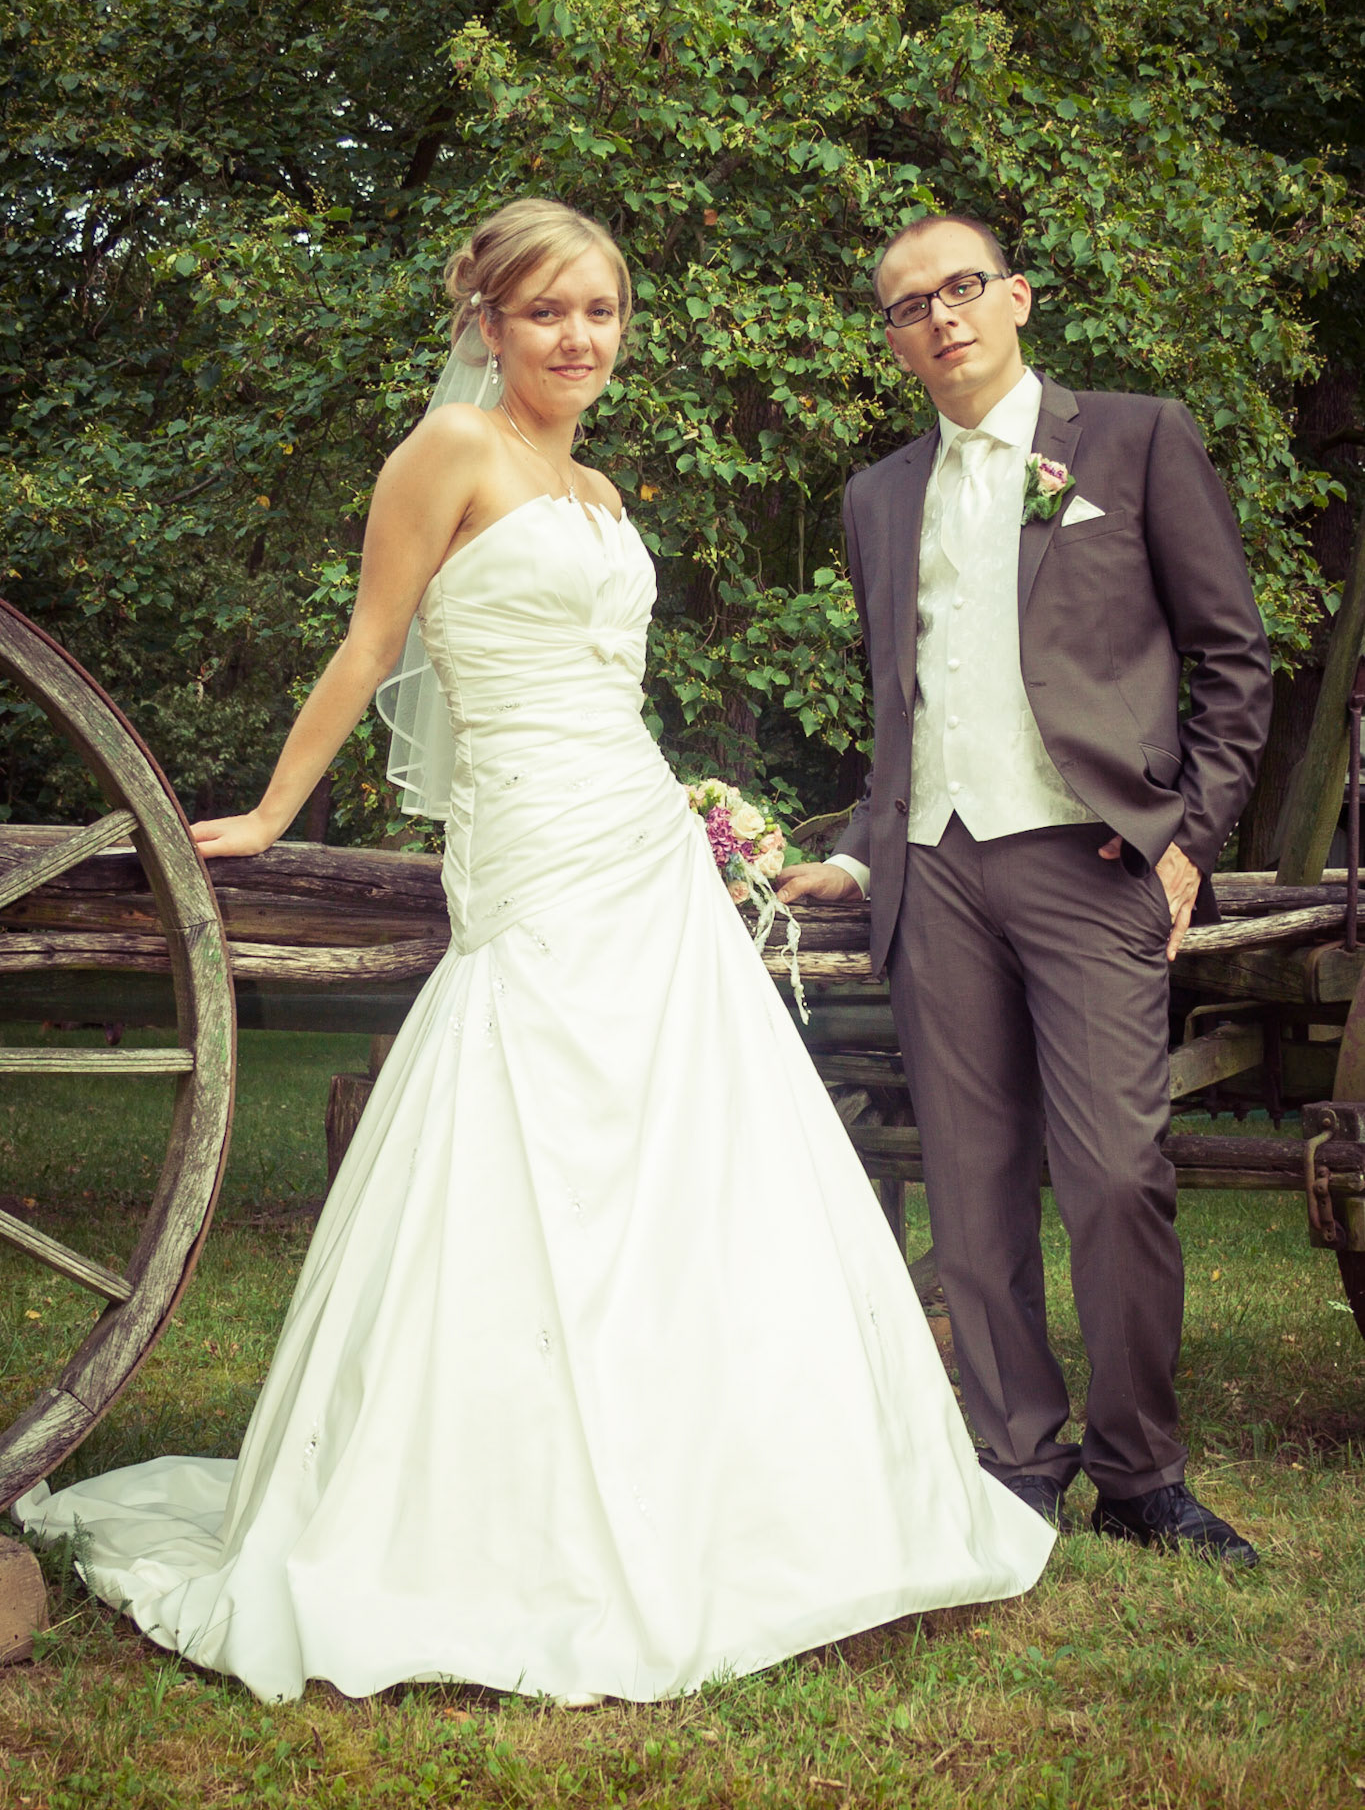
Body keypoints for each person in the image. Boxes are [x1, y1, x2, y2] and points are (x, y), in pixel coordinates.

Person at [15, 197, 1053, 1703]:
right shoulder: (447, 452)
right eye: (547, 311)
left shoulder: (603, 490)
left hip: (638, 839)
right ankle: (489, 1503)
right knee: (537, 1123)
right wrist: (270, 813)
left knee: (687, 1142)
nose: (579, 338)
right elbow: (372, 645)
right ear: (487, 324)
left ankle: (729, 1488)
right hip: (532, 845)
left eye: (601, 312)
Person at [777, 213, 1272, 1563]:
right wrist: (863, 852)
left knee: (1115, 1173)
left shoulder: (1136, 439)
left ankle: (1141, 1476)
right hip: (934, 873)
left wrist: (1188, 839)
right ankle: (1015, 1460)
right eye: (908, 306)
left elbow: (1233, 657)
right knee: (972, 1181)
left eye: (962, 288)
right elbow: (902, 708)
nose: (939, 316)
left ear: (1017, 298)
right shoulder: (877, 497)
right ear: (892, 342)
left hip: (1091, 862)